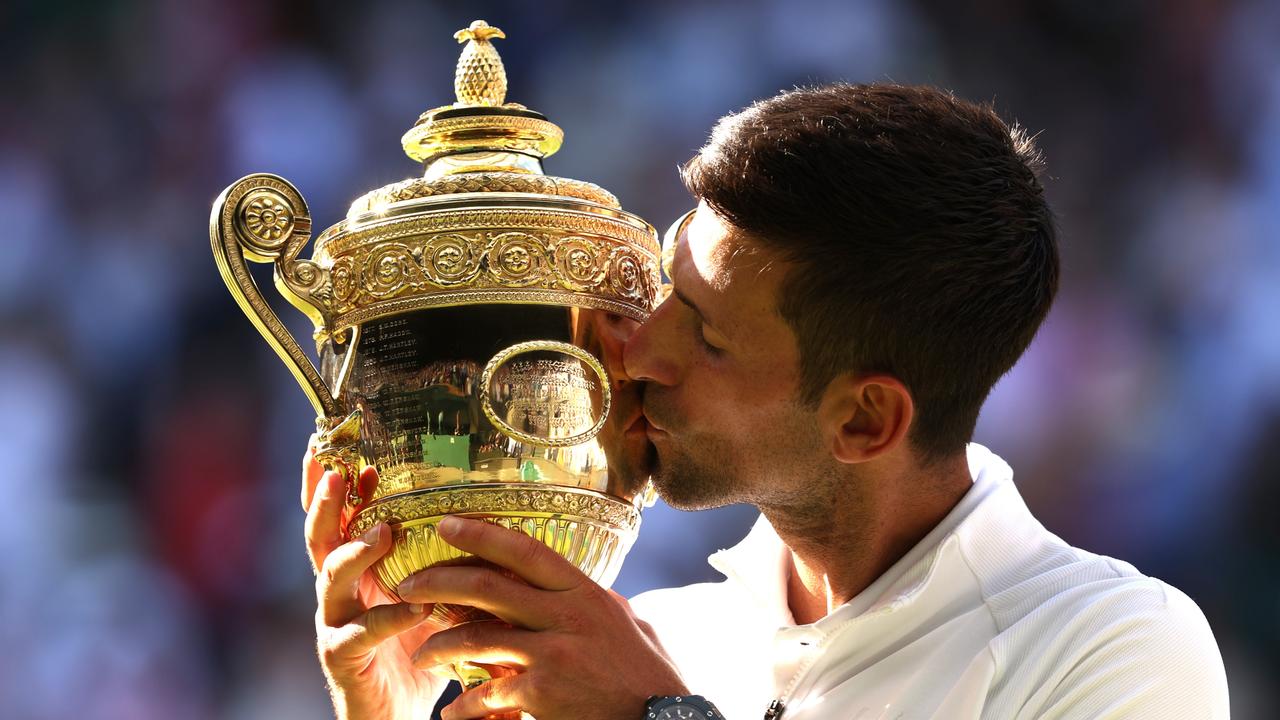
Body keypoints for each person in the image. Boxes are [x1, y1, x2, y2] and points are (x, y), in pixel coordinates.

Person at [300, 83, 1230, 719]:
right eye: (663, 286)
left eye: (705, 336)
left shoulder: (1113, 649)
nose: (634, 345)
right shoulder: (651, 637)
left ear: (866, 420)